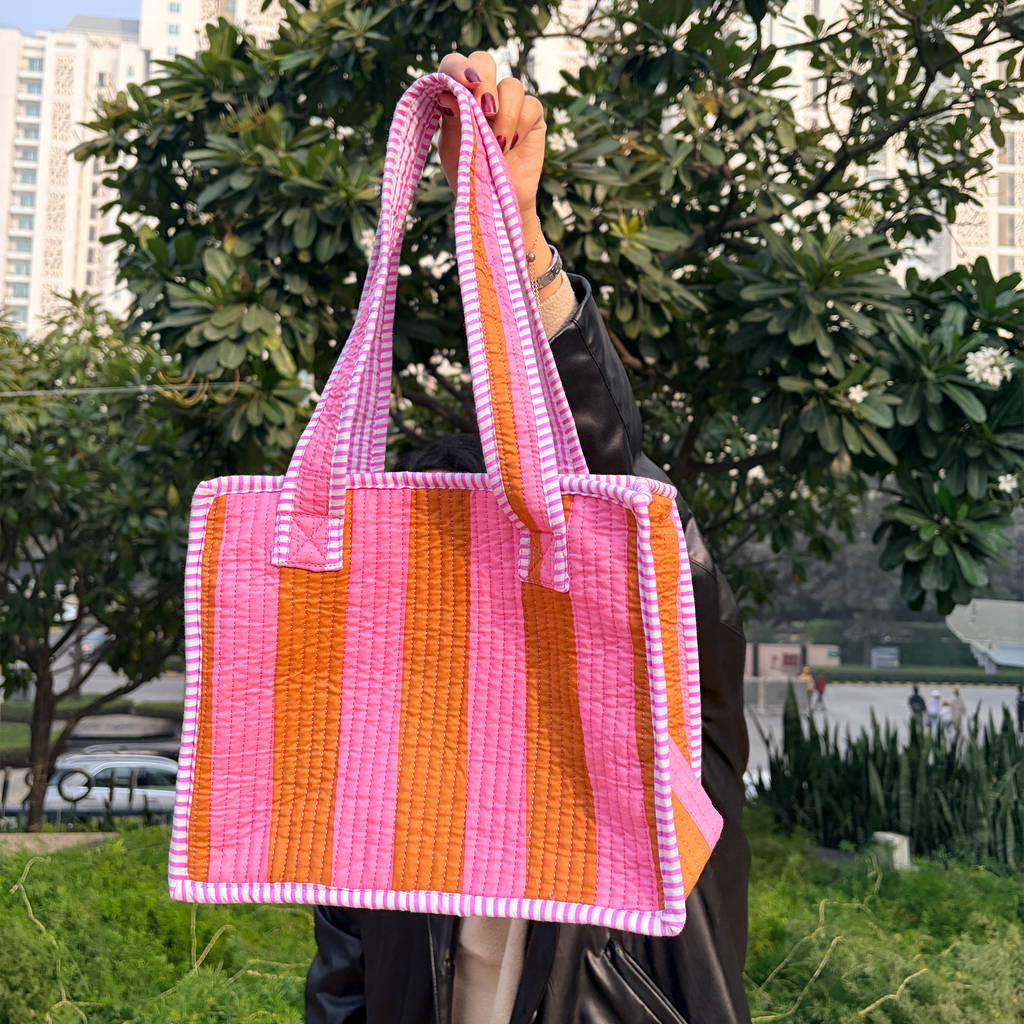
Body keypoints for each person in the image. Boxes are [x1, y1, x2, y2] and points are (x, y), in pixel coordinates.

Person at [305, 52, 751, 1024]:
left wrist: (520, 243)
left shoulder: (661, 719)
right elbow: (342, 971)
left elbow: (604, 478)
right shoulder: (390, 761)